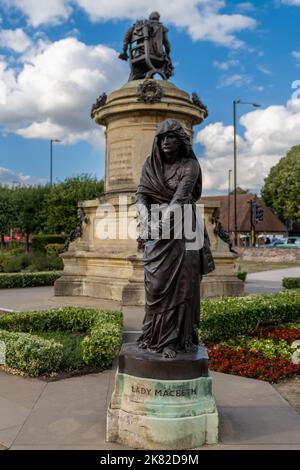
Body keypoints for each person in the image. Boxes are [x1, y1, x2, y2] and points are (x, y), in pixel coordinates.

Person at [136, 119, 215, 359]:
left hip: (184, 231)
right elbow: (141, 194)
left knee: (182, 285)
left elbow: (179, 200)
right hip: (157, 231)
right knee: (156, 286)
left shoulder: (190, 166)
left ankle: (174, 340)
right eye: (161, 138)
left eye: (171, 137)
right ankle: (153, 337)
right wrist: (146, 220)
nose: (166, 141)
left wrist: (157, 226)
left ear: (181, 141)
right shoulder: (151, 164)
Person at [119, 12, 174, 80]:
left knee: (136, 72)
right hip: (156, 57)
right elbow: (166, 43)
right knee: (166, 59)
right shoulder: (161, 27)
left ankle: (140, 76)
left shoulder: (136, 27)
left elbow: (126, 39)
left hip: (137, 56)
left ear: (149, 18)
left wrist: (124, 51)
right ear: (158, 19)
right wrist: (168, 54)